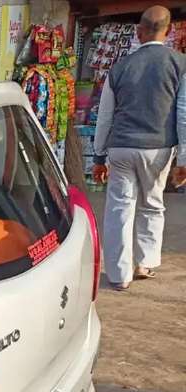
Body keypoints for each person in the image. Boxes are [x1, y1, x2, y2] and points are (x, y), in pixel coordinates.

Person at [92, 6, 186, 290]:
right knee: (152, 204)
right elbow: (183, 113)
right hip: (158, 148)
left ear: (138, 32)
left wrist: (98, 156)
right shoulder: (180, 64)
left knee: (120, 209)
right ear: (168, 31)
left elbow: (105, 115)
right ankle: (144, 264)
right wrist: (184, 158)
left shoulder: (119, 68)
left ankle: (119, 276)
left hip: (120, 147)